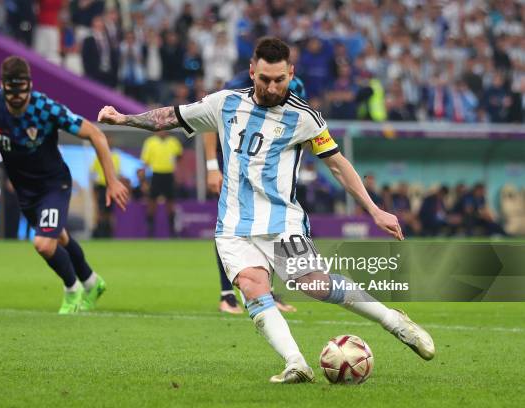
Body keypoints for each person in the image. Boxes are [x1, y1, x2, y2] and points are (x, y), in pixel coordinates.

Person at [98, 37, 434, 384]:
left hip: (281, 222)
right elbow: (170, 116)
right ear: (251, 72)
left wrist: (374, 210)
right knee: (252, 286)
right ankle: (296, 363)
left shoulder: (305, 118)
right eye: (264, 79)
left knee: (314, 285)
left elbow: (338, 165)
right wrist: (123, 119)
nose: (272, 87)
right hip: (232, 224)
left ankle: (394, 321)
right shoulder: (225, 103)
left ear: (291, 73)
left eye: (279, 80)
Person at [0, 56, 129, 314]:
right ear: (2, 86)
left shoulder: (46, 108)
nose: (16, 101)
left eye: (21, 94)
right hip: (25, 191)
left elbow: (95, 133)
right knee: (59, 237)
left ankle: (72, 290)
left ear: (30, 86)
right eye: (11, 94)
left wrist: (112, 180)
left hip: (53, 185)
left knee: (43, 244)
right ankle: (92, 282)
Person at [204, 65, 308, 314]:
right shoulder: (237, 89)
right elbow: (209, 123)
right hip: (232, 161)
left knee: (267, 223)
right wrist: (211, 167)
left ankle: (266, 290)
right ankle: (227, 294)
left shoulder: (296, 87)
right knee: (231, 224)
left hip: (260, 164)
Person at [140, 131, 182, 237]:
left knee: (170, 203)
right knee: (152, 203)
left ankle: (172, 231)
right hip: (156, 174)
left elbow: (179, 156)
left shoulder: (173, 142)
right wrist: (143, 180)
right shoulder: (150, 142)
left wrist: (177, 173)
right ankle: (150, 230)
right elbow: (145, 162)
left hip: (169, 175)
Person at [90, 149, 121, 237]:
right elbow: (93, 172)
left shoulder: (116, 156)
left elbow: (117, 172)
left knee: (110, 211)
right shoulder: (98, 155)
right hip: (102, 186)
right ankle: (99, 231)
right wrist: (95, 186)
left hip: (112, 186)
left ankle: (108, 232)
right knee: (100, 210)